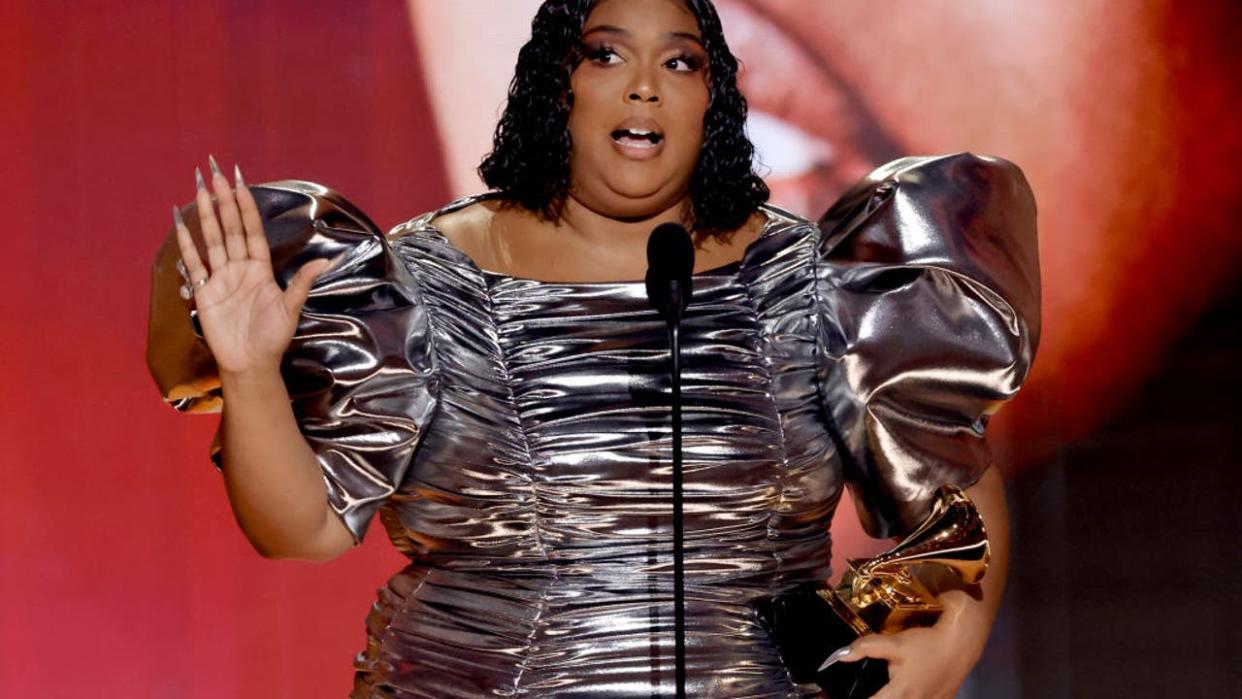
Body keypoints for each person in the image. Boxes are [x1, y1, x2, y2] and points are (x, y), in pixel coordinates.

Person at [152, 0, 1039, 696]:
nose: (644, 85)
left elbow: (953, 492)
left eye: (681, 60)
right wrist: (250, 369)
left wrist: (953, 635)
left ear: (713, 97)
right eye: (606, 54)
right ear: (555, 87)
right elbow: (300, 530)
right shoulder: (422, 284)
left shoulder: (809, 282)